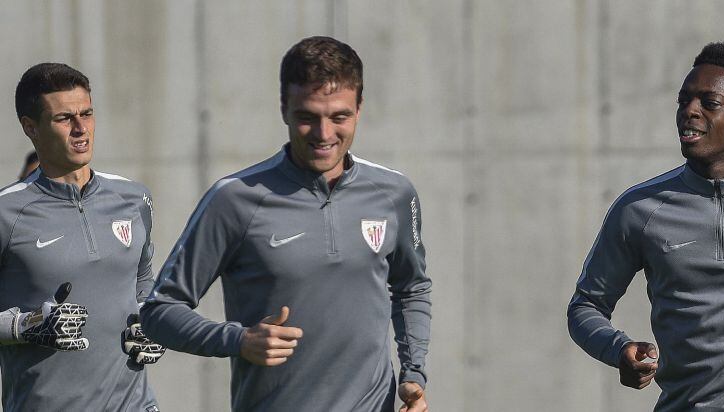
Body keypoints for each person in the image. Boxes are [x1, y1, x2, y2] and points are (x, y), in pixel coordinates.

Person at [140, 36, 432, 412]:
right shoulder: (234, 199)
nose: (324, 135)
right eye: (307, 117)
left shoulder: (394, 192)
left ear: (359, 108)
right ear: (284, 109)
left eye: (339, 117)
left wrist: (414, 375)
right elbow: (159, 312)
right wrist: (238, 340)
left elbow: (411, 286)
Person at [567, 42, 724, 411]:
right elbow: (585, 307)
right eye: (684, 101)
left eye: (709, 103)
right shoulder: (640, 208)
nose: (689, 111)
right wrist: (619, 350)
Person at [0, 63, 164, 411]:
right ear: (30, 127)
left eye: (86, 113)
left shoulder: (134, 197)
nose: (81, 129)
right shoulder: (5, 213)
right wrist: (26, 326)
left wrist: (151, 321)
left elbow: (143, 282)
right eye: (64, 118)